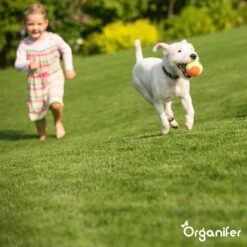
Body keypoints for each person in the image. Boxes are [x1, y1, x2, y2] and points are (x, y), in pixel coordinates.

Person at [15, 3, 76, 141]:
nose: (35, 28)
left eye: (39, 24)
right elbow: (18, 65)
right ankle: (41, 133)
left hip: (54, 76)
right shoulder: (24, 45)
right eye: (31, 24)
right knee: (37, 113)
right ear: (25, 24)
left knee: (55, 103)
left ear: (45, 23)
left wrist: (69, 68)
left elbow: (66, 49)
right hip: (35, 83)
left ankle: (58, 122)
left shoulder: (53, 39)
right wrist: (28, 64)